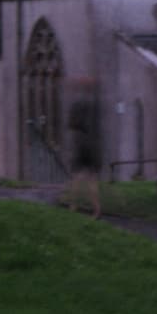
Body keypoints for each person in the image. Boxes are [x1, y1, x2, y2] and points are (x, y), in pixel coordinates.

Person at [66, 80, 101, 219]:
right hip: (92, 146)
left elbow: (71, 125)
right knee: (92, 180)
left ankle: (73, 206)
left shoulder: (76, 106)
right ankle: (97, 210)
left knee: (76, 178)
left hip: (81, 145)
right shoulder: (93, 106)